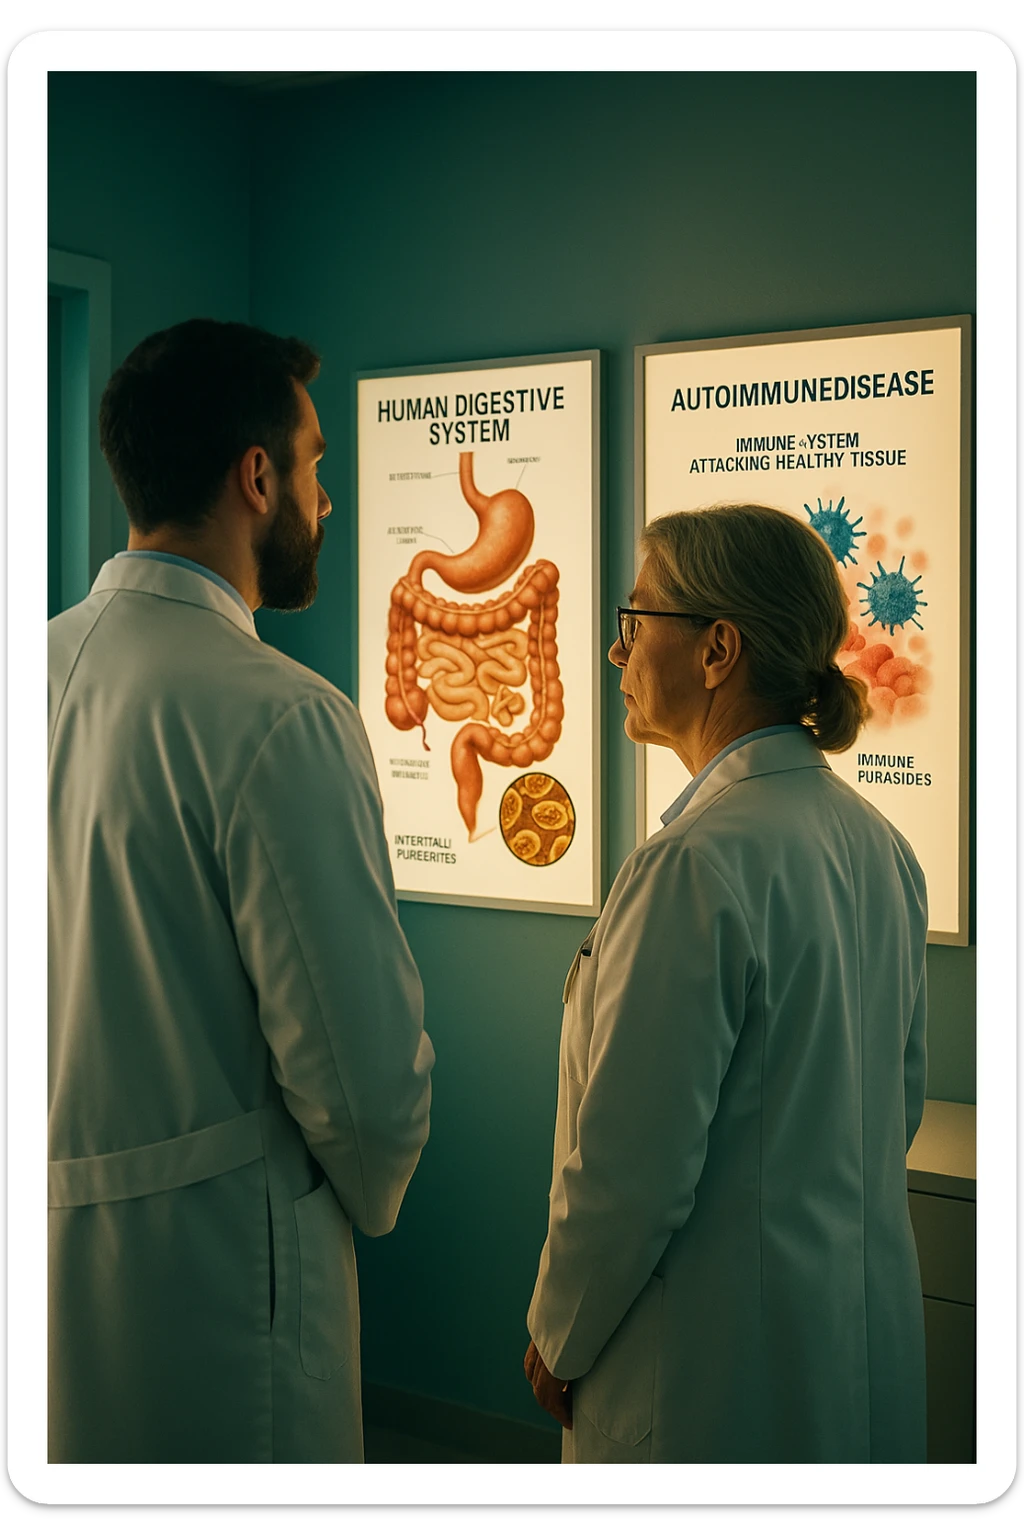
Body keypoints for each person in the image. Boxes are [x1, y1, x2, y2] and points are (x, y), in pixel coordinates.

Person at [47, 319, 434, 1464]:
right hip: (221, 1284)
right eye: (316, 466)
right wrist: (373, 1193)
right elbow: (362, 1088)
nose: (329, 499)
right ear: (257, 478)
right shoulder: (280, 715)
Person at [524, 503, 928, 1464]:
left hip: (711, 1379)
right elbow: (894, 1106)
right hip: (846, 1343)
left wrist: (559, 1333)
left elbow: (629, 1170)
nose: (617, 653)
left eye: (634, 622)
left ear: (717, 650)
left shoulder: (694, 865)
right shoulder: (881, 848)